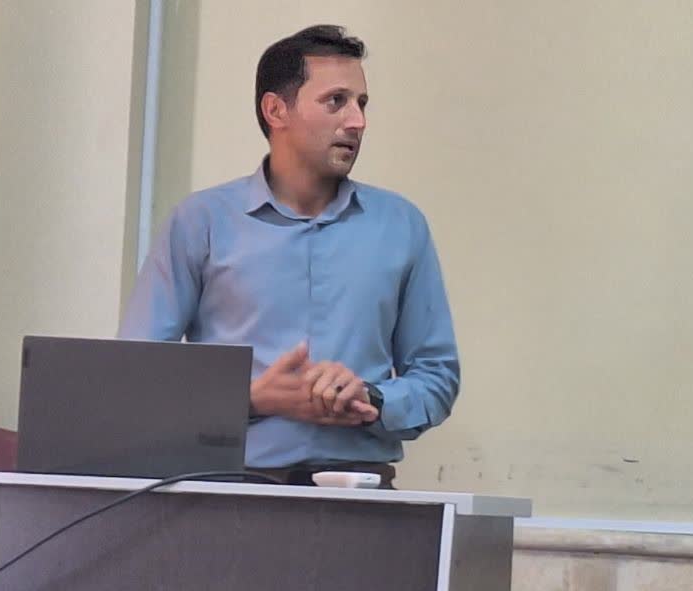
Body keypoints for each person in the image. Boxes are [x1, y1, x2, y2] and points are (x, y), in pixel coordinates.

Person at [118, 25, 459, 488]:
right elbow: (137, 380)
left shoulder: (401, 225)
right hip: (227, 494)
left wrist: (373, 398)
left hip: (362, 498)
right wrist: (252, 399)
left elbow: (437, 378)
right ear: (276, 110)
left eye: (361, 103)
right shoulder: (201, 222)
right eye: (336, 101)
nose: (357, 121)